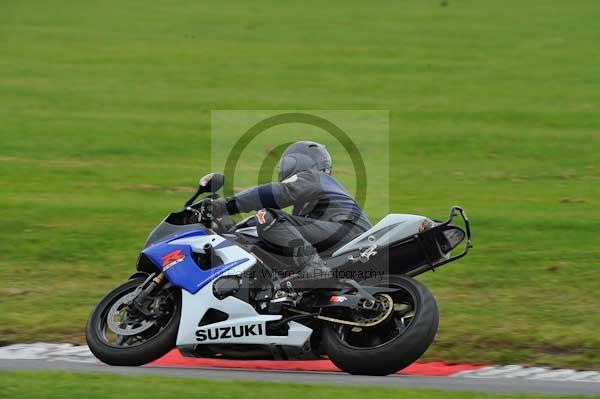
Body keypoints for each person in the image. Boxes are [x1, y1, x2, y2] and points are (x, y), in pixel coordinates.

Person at [212, 141, 371, 279]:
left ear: (296, 162)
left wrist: (225, 206)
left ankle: (315, 268)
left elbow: (279, 193)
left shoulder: (315, 177)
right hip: (349, 237)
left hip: (348, 230)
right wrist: (228, 229)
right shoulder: (312, 203)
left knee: (266, 217)